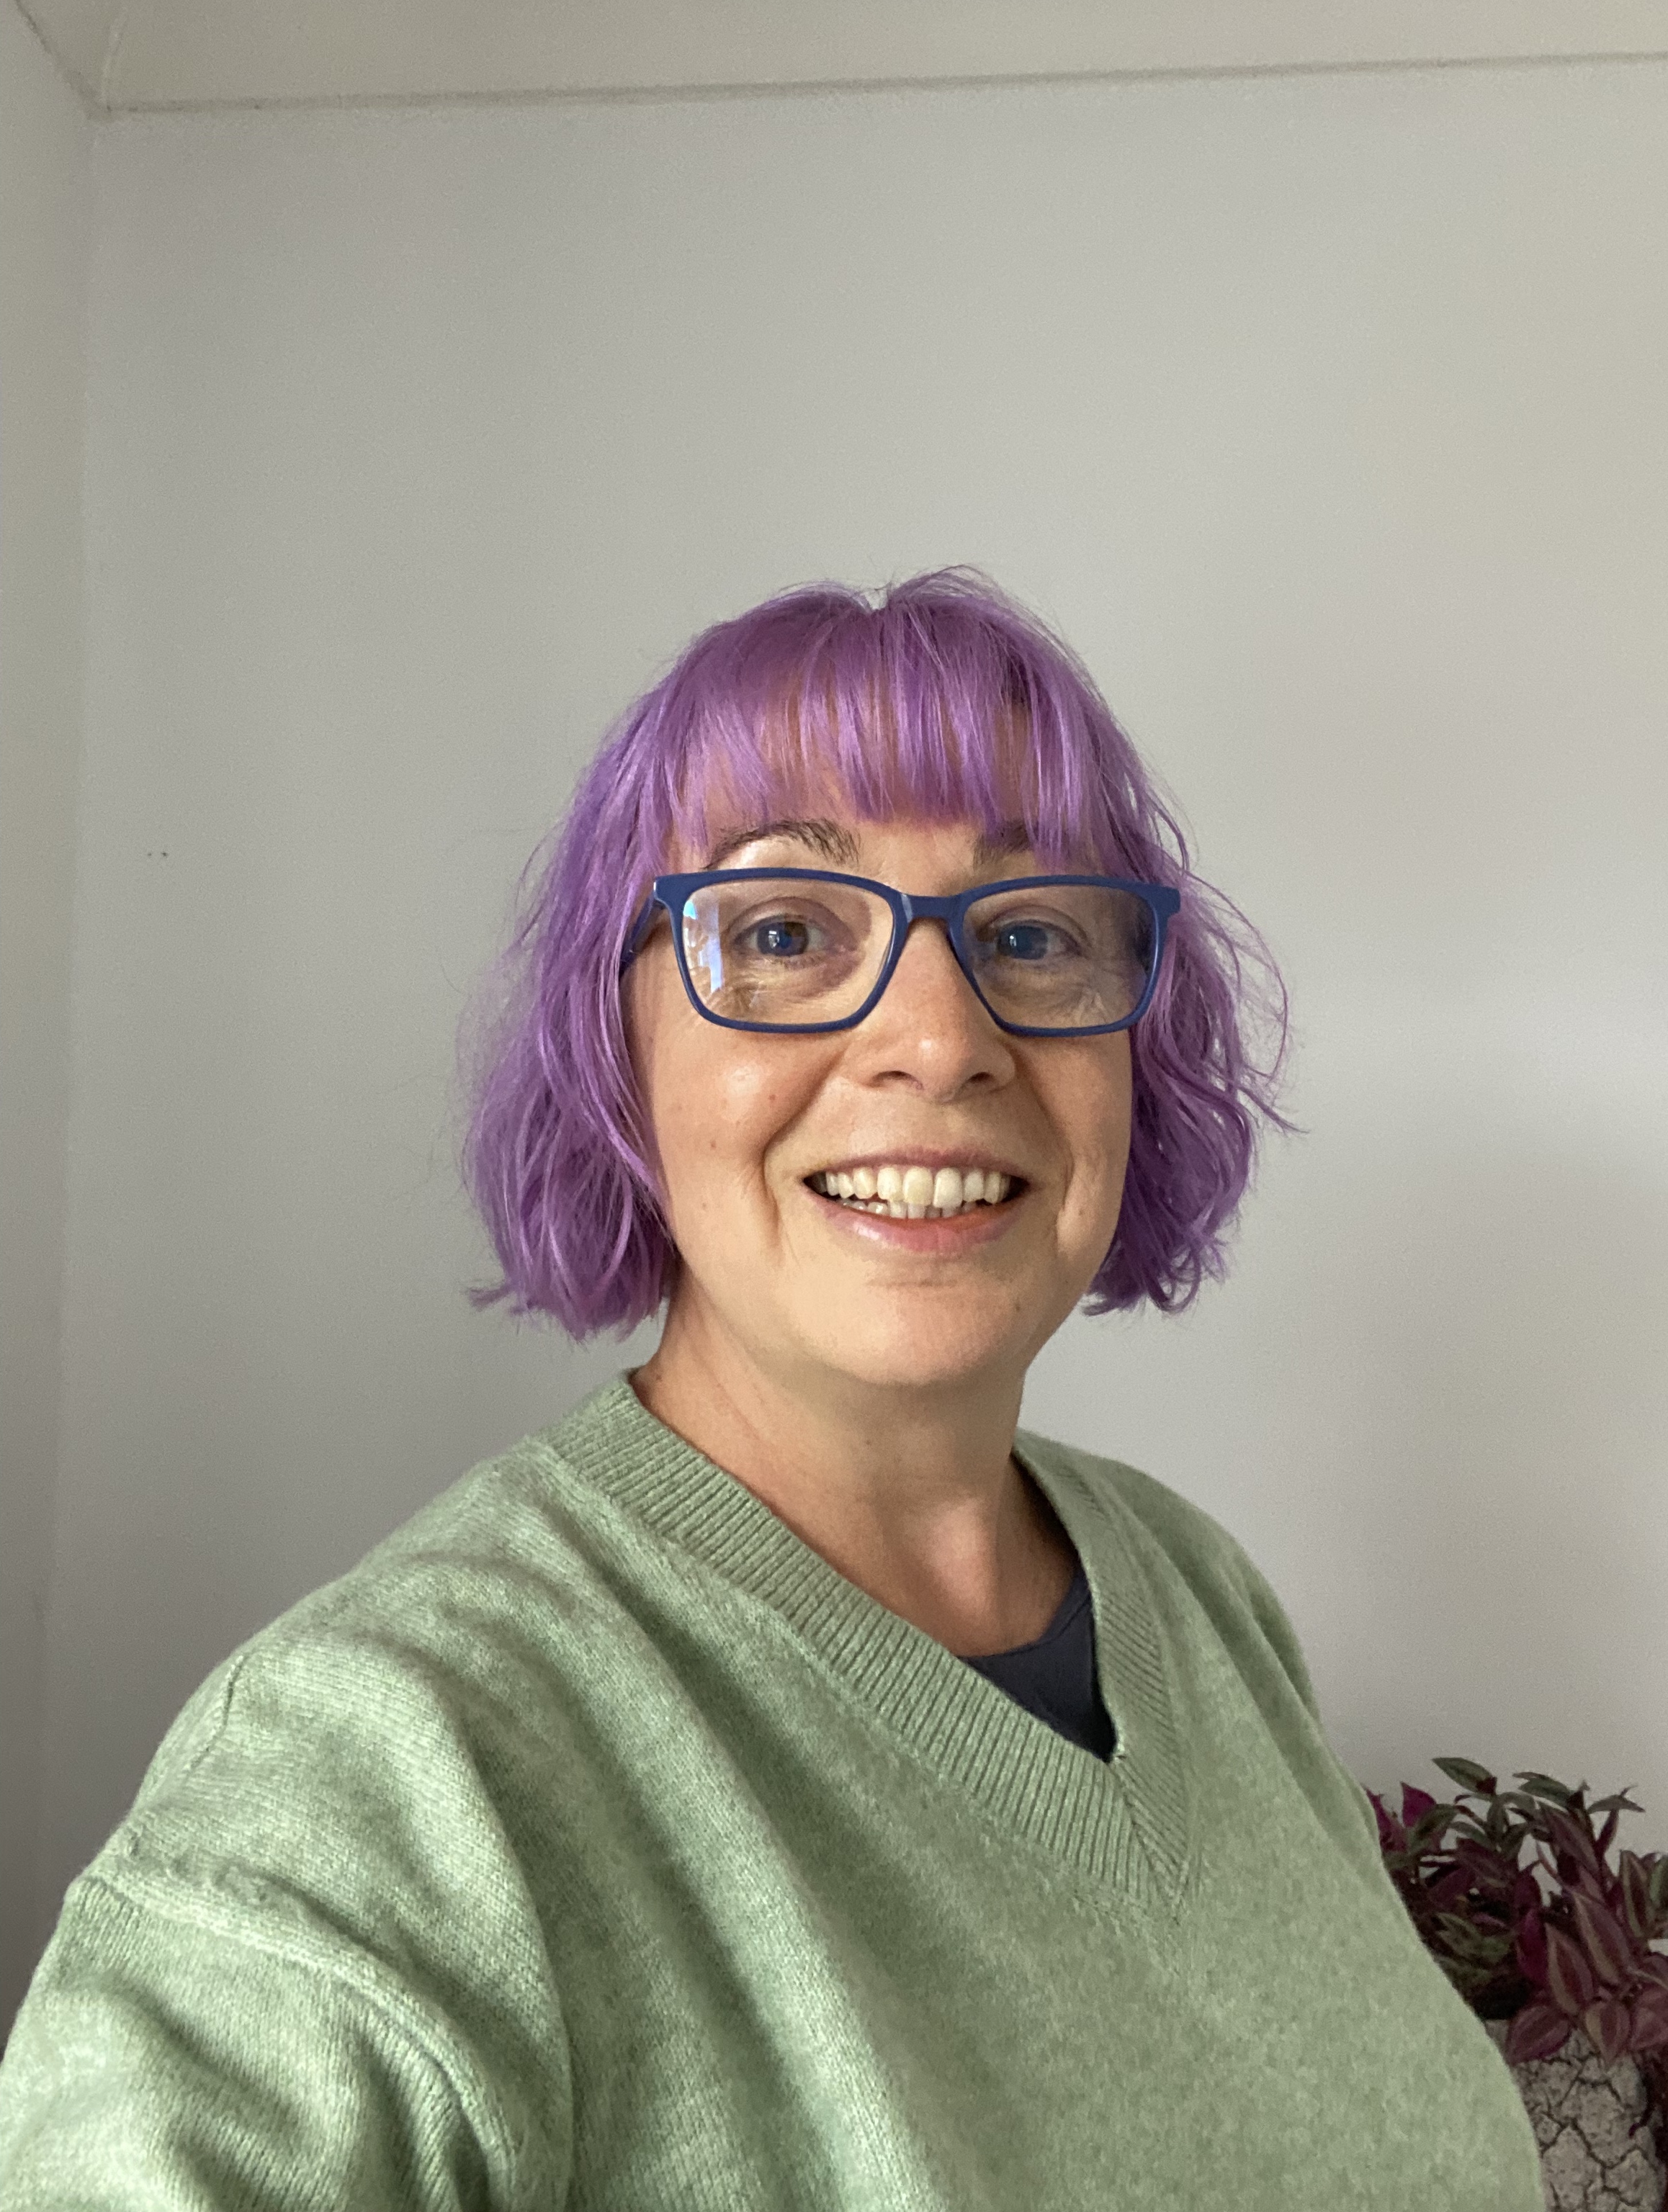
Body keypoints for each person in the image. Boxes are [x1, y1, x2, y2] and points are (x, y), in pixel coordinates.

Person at [0, 570, 1543, 2208]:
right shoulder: (381, 1763)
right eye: (787, 929)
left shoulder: (1206, 1600)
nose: (940, 1039)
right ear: (617, 1051)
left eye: (1030, 932)